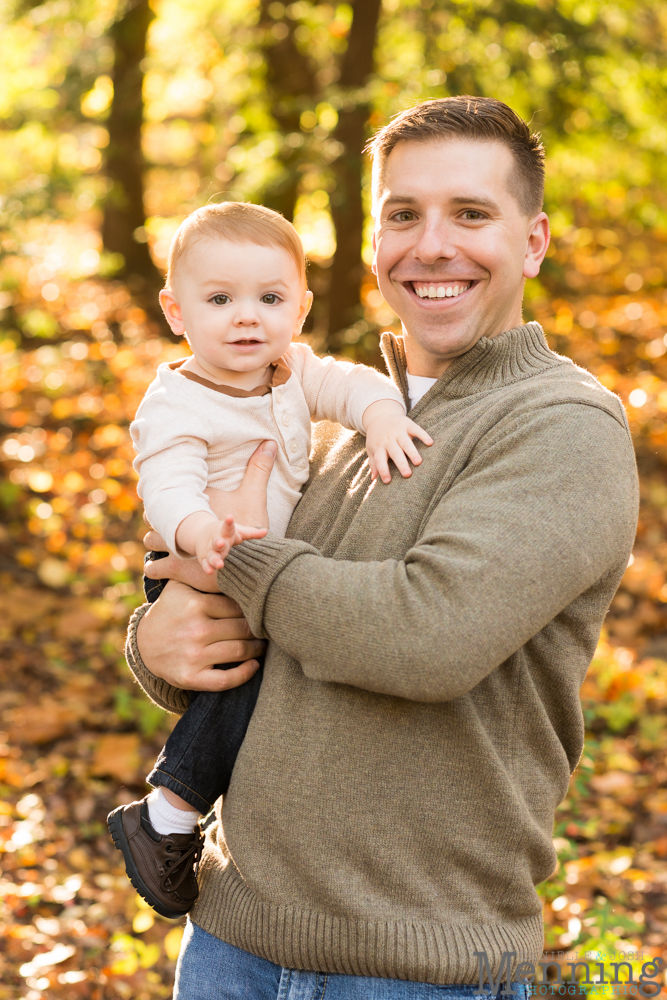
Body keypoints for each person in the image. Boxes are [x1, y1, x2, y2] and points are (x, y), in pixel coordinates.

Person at [125, 97, 639, 998]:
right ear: (371, 240)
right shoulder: (325, 419)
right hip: (231, 940)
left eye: (471, 214)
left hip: (414, 966)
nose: (430, 245)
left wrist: (236, 564)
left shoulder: (561, 425)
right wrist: (160, 641)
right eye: (402, 214)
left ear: (533, 241)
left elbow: (423, 636)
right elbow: (262, 643)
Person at [107, 201, 432, 920]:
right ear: (176, 311)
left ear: (300, 307)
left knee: (257, 686)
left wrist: (380, 416)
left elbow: (350, 386)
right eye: (219, 300)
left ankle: (168, 815)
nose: (247, 317)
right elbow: (164, 484)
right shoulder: (176, 404)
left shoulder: (289, 371)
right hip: (205, 558)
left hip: (258, 566)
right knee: (242, 685)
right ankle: (166, 816)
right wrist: (201, 534)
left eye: (270, 298)